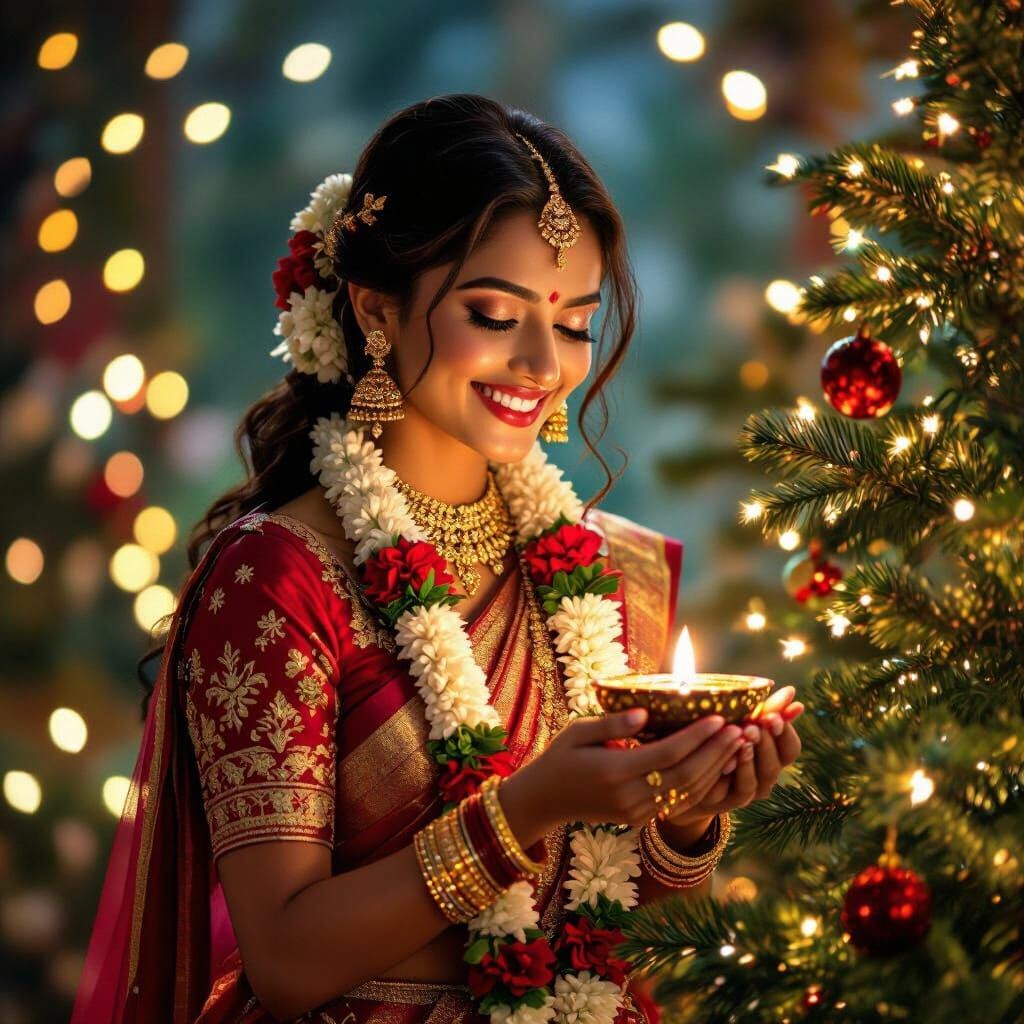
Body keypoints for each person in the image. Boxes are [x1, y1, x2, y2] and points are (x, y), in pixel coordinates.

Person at [71, 93, 803, 1024]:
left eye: (574, 323)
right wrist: (524, 809)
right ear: (377, 309)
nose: (543, 365)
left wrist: (691, 812)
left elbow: (607, 904)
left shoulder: (607, 568)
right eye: (494, 315)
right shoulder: (278, 580)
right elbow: (286, 959)